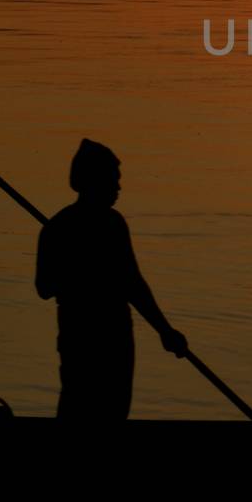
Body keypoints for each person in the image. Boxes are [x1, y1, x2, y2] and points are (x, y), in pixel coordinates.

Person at [35, 138, 189, 420]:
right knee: (77, 405)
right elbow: (44, 287)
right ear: (94, 181)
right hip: (82, 338)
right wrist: (77, 268)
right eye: (113, 180)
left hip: (115, 337)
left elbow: (133, 285)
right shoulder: (58, 229)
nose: (118, 188)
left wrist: (165, 331)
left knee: (112, 411)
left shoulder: (107, 225)